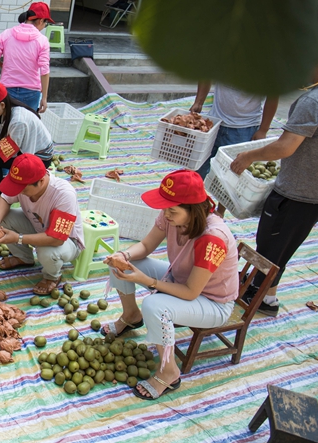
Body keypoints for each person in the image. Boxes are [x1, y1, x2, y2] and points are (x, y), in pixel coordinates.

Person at [100, 169, 239, 400]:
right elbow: (145, 246)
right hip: (179, 278)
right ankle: (131, 315)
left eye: (172, 210)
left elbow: (190, 292)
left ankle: (169, 371)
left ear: (193, 210)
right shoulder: (171, 216)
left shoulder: (213, 238)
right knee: (120, 265)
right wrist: (124, 255)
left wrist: (147, 281)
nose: (166, 214)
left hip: (211, 302)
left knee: (155, 305)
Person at [228, 44, 318, 316]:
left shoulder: (316, 101)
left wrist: (250, 156)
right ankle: (266, 294)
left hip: (298, 192)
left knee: (270, 247)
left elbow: (285, 147)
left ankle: (260, 297)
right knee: (284, 245)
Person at [0, 153, 83, 295]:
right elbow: (4, 199)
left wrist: (18, 238)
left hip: (67, 241)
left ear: (41, 181)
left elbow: (56, 239)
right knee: (4, 219)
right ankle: (24, 258)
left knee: (47, 251)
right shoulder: (24, 182)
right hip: (39, 227)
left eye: (23, 189)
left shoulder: (63, 194)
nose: (19, 192)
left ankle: (52, 277)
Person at [0, 82, 53, 210]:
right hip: (23, 150)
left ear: (1, 105)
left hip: (39, 158)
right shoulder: (5, 112)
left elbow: (6, 151)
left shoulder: (18, 121)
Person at [191, 81, 278, 180]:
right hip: (214, 122)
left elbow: (273, 96)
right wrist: (198, 102)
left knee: (229, 176)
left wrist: (263, 129)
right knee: (198, 168)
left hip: (243, 128)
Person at [0, 2, 52, 113]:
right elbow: (44, 71)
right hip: (31, 91)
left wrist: (2, 65)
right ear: (41, 21)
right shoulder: (42, 40)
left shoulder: (6, 34)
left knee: (7, 125)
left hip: (7, 90)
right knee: (27, 126)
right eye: (46, 23)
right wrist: (44, 98)